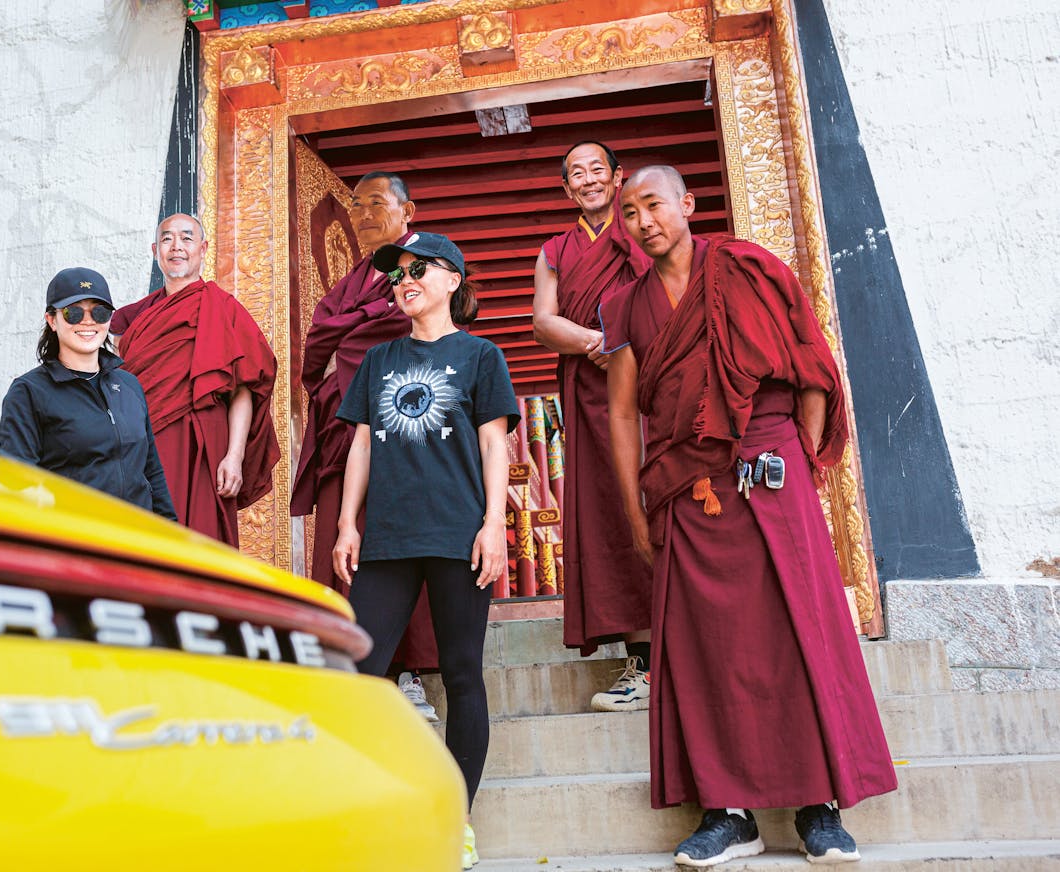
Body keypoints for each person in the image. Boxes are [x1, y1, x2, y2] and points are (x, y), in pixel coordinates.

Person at [600, 165, 898, 866]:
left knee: (800, 630)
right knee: (707, 649)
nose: (643, 221)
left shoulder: (748, 268)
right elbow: (619, 411)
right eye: (631, 212)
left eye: (653, 205)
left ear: (687, 204)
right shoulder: (628, 305)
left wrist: (799, 458)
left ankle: (818, 807)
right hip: (685, 483)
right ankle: (728, 813)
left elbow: (809, 367)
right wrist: (636, 510)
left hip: (770, 469)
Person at [333, 232, 518, 870]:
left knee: (462, 674)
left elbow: (495, 446)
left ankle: (455, 823)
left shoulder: (481, 356)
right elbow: (359, 446)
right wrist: (346, 525)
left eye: (418, 270)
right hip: (386, 538)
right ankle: (369, 809)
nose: (403, 281)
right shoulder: (378, 360)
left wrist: (493, 524)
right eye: (396, 275)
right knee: (359, 674)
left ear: (452, 280)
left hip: (456, 534)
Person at [291, 171, 441, 720]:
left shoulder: (424, 265)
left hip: (404, 426)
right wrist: (350, 332)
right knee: (344, 541)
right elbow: (317, 346)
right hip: (344, 431)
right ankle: (354, 673)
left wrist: (347, 337)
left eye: (377, 203)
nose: (364, 214)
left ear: (409, 211)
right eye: (356, 206)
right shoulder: (348, 281)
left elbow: (416, 325)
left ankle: (410, 674)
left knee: (402, 541)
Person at [532, 140, 654, 711]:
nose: (587, 180)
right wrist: (596, 342)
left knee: (663, 499)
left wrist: (629, 345)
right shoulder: (556, 249)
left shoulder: (643, 231)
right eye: (575, 174)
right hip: (591, 390)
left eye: (596, 170)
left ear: (617, 176)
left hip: (651, 387)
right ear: (566, 189)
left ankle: (691, 648)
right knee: (612, 511)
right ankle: (644, 661)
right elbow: (543, 320)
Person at [110, 214, 280, 547]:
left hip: (206, 447)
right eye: (168, 239)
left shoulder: (222, 307)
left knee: (202, 541)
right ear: (155, 250)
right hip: (146, 445)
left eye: (187, 239)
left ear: (203, 249)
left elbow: (243, 390)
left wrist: (234, 456)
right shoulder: (134, 319)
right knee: (148, 542)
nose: (177, 247)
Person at [0, 266, 176, 521]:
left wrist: (170, 532)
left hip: (138, 540)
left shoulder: (129, 386)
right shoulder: (28, 392)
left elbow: (152, 470)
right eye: (74, 312)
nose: (88, 321)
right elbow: (17, 485)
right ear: (52, 320)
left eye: (100, 312)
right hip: (76, 543)